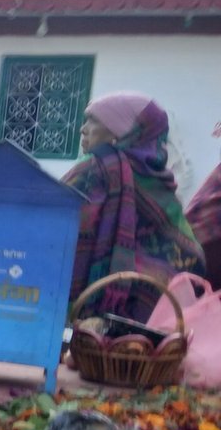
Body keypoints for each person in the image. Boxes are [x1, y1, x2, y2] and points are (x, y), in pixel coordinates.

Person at [64, 94, 205, 322]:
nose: (83, 129)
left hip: (86, 310)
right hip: (152, 320)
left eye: (93, 120)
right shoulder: (160, 182)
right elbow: (192, 254)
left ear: (120, 131)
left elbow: (53, 226)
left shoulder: (94, 170)